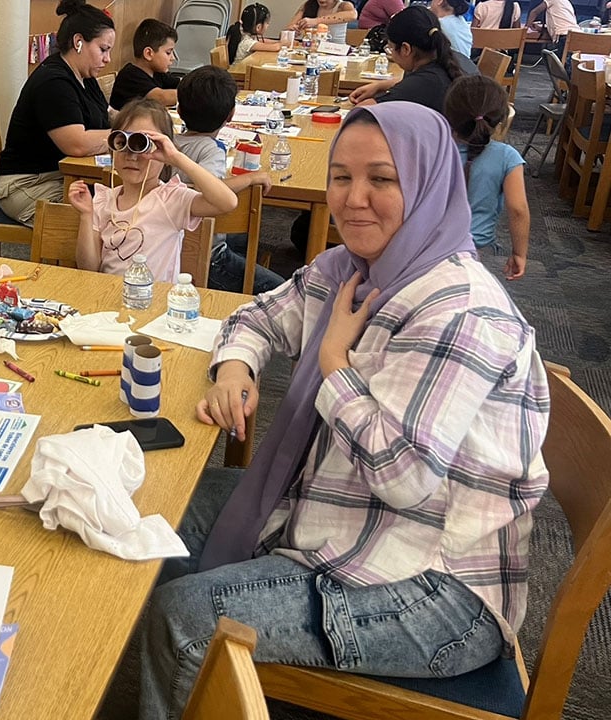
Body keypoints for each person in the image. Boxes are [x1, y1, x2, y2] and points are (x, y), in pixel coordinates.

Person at [133, 101, 550, 719]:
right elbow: (256, 316)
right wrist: (235, 367)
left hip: (435, 590)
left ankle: (187, 675)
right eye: (341, 177)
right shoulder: (354, 268)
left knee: (183, 619)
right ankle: (193, 690)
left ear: (429, 182)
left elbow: (404, 477)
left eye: (382, 179)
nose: (354, 198)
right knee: (158, 499)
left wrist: (334, 364)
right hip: (340, 512)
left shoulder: (459, 312)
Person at [69, 98, 238, 282]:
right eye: (122, 143)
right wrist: (87, 215)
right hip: (110, 298)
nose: (132, 156)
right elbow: (88, 268)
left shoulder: (171, 199)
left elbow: (227, 202)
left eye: (143, 145)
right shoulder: (102, 200)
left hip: (154, 304)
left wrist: (176, 157)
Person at [0, 0, 115, 225]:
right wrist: (124, 134)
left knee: (119, 205)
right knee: (101, 221)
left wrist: (142, 121)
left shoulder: (85, 76)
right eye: (103, 49)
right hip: (27, 185)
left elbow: (108, 115)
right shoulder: (53, 82)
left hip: (58, 175)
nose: (107, 59)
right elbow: (76, 144)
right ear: (78, 42)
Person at [173, 67, 287, 294]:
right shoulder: (211, 150)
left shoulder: (169, 141)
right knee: (282, 289)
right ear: (231, 115)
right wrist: (251, 178)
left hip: (175, 241)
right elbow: (210, 192)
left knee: (244, 237)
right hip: (209, 256)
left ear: (178, 108)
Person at [443, 75, 529, 279]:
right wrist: (519, 253)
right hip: (477, 246)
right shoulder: (507, 156)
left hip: (431, 243)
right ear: (500, 119)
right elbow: (518, 209)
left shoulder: (434, 149)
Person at [349, 7, 467, 111]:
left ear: (406, 49)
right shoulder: (450, 62)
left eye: (390, 48)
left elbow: (360, 112)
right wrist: (379, 86)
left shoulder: (419, 85)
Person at [109, 19, 178, 110]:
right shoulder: (130, 76)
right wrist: (198, 91)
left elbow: (182, 84)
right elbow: (162, 98)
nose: (173, 58)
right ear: (148, 53)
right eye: (168, 52)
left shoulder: (157, 73)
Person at [287, 0, 359, 44]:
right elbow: (287, 30)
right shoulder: (309, 5)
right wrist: (292, 31)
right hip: (311, 50)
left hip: (336, 50)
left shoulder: (343, 5)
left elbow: (352, 15)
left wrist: (316, 21)